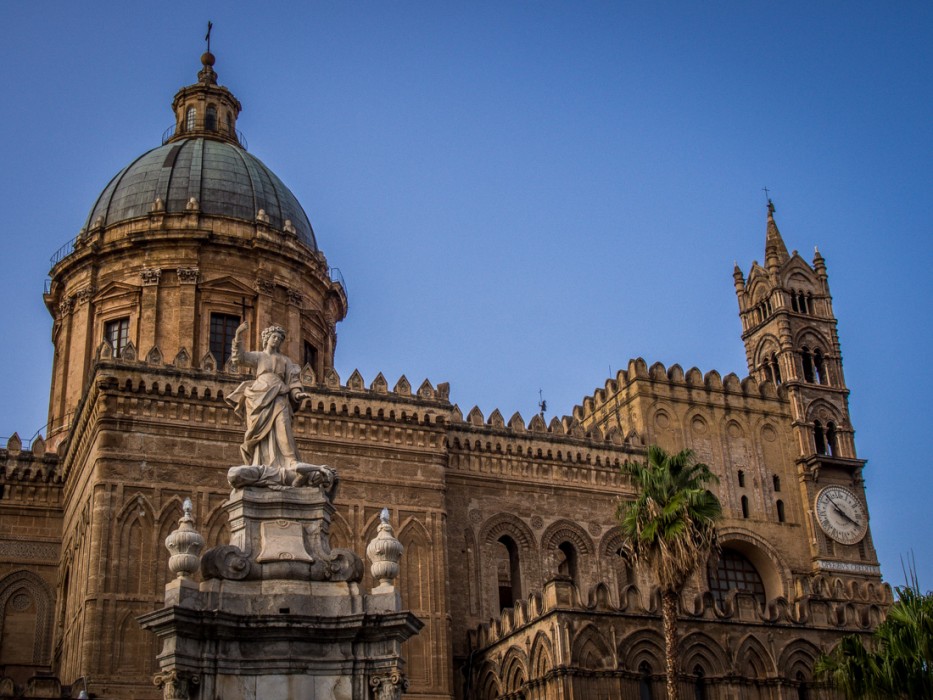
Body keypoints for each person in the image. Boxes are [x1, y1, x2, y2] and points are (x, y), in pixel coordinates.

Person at [226, 322, 334, 490]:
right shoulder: (259, 357)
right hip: (258, 397)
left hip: (280, 397)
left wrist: (297, 394)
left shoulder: (285, 361)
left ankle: (290, 462)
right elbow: (239, 358)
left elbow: (293, 380)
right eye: (274, 337)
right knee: (258, 434)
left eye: (280, 338)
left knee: (283, 429)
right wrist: (239, 335)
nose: (276, 340)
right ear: (267, 339)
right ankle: (262, 462)